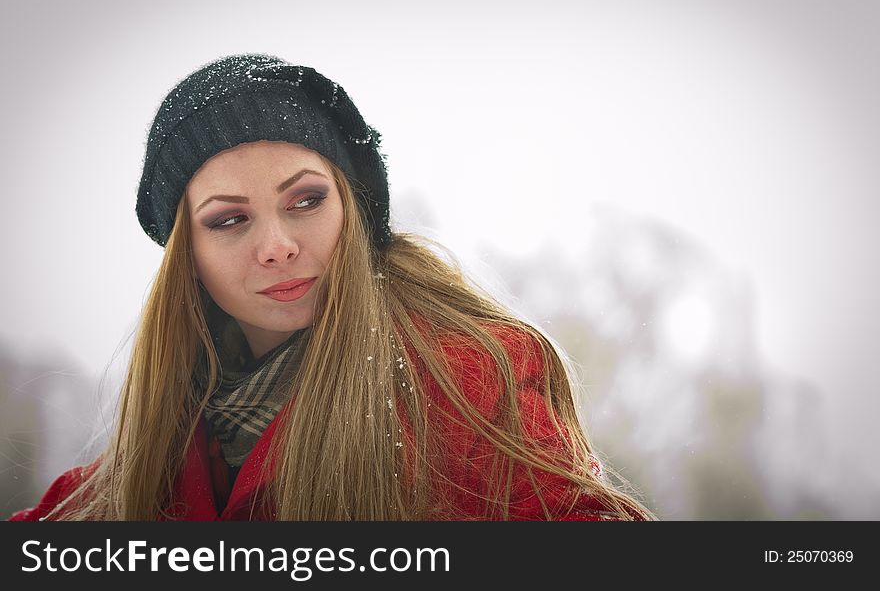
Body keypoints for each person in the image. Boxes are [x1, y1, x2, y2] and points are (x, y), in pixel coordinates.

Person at [9, 54, 654, 521]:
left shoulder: (465, 379)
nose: (278, 246)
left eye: (306, 200)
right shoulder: (162, 440)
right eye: (229, 220)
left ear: (353, 207)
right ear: (189, 255)